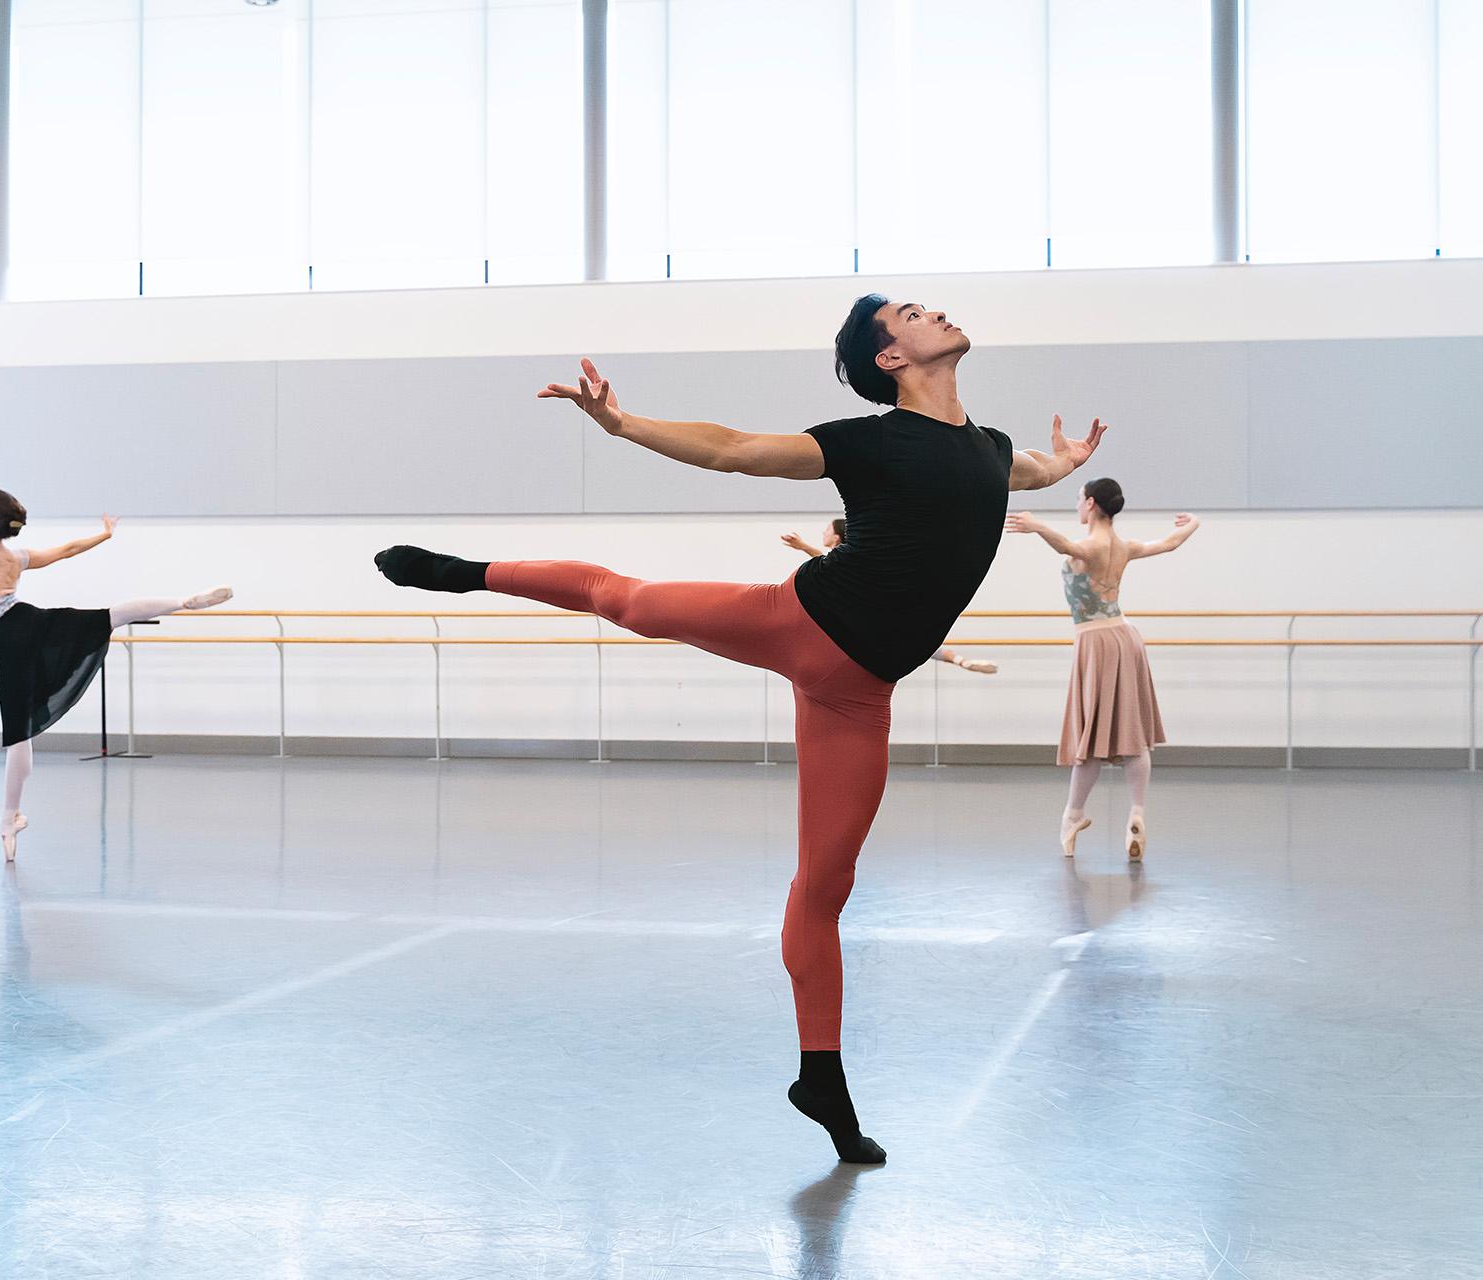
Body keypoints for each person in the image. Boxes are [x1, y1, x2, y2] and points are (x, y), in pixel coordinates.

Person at [375, 294, 1108, 1164]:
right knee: (630, 600)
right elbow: (730, 449)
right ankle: (466, 572)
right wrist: (621, 425)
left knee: (825, 885)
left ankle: (821, 1076)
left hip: (861, 694)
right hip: (801, 621)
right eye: (913, 313)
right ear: (889, 359)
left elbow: (1018, 471)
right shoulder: (867, 442)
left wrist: (1060, 469)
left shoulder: (987, 448)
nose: (937, 311)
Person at [0, 489, 232, 861]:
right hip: (32, 622)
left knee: (18, 735)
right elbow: (68, 550)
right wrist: (104, 535)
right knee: (109, 616)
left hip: (9, 646)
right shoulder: (17, 557)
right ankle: (182, 602)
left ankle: (8, 821)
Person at [1005, 481, 1198, 860]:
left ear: (1091, 504)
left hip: (1096, 642)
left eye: (1079, 499)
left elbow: (1068, 547)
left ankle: (1072, 815)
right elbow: (1170, 543)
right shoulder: (1124, 547)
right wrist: (1195, 523)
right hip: (1125, 637)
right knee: (1133, 733)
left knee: (1091, 735)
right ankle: (1137, 812)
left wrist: (1037, 525)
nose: (1077, 505)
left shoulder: (1093, 546)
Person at [781, 521, 997, 674]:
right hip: (875, 609)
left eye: (827, 529)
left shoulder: (844, 558)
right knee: (913, 640)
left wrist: (803, 546)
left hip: (862, 613)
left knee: (905, 638)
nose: (823, 532)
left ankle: (960, 660)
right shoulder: (851, 557)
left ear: (836, 536)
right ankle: (961, 661)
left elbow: (825, 560)